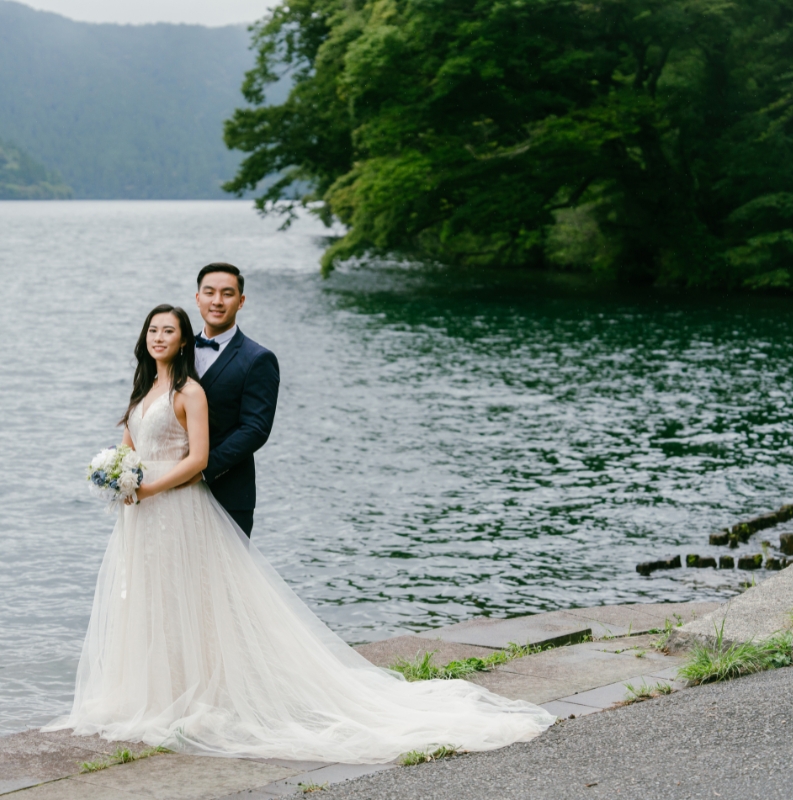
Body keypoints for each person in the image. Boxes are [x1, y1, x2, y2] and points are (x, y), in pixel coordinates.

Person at [44, 299, 554, 763]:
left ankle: (199, 695)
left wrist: (149, 488)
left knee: (191, 600)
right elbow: (134, 445)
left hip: (177, 508)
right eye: (153, 330)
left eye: (169, 331)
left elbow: (198, 459)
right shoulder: (142, 388)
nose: (159, 337)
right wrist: (119, 475)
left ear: (182, 341)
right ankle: (153, 692)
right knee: (151, 601)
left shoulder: (188, 391)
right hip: (141, 516)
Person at [189, 263, 279, 538]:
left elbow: (255, 429)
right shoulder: (178, 352)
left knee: (224, 581)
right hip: (171, 494)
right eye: (209, 293)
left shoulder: (258, 359)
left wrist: (202, 470)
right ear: (198, 298)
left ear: (240, 301)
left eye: (227, 294)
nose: (217, 301)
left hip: (228, 494)